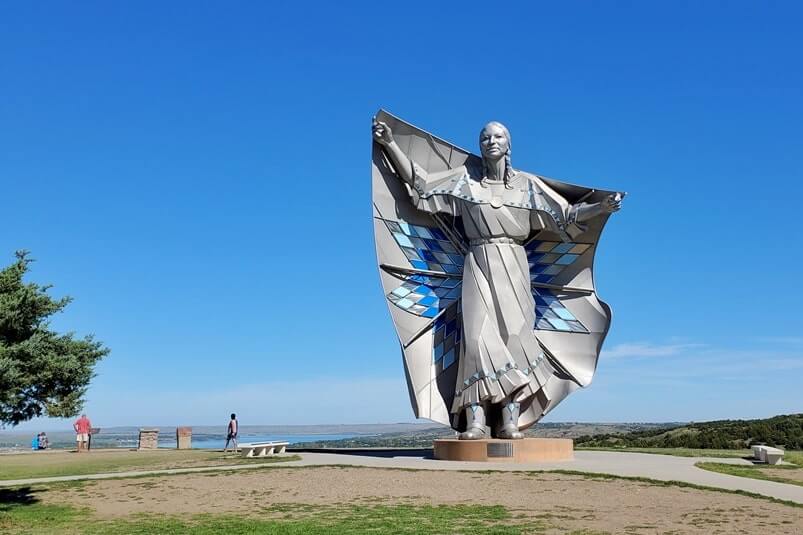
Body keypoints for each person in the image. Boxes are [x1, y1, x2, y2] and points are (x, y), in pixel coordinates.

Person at [373, 118, 622, 439]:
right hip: (477, 262)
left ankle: (509, 419)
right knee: (476, 339)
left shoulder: (528, 186)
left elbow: (567, 215)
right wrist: (390, 143)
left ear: (508, 145)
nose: (491, 141)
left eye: (498, 136)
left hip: (515, 265)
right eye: (485, 137)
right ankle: (475, 419)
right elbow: (421, 185)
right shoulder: (465, 182)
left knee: (516, 338)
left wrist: (601, 207)